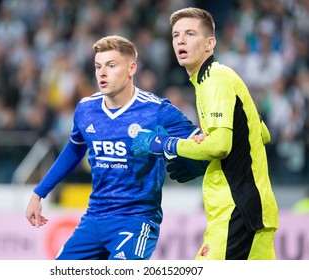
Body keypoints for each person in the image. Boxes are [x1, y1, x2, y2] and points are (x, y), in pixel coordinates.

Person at [25, 35, 205, 260]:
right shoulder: (86, 109)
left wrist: (172, 146)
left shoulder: (157, 110)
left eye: (111, 66)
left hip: (136, 219)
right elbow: (74, 150)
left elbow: (203, 144)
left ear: (131, 69)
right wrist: (38, 193)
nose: (102, 72)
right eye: (98, 66)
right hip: (94, 217)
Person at [131, 7, 279, 260]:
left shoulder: (215, 80)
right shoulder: (210, 80)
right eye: (176, 35)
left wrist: (165, 143)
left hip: (237, 212)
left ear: (210, 43)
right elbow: (261, 132)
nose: (180, 40)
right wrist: (206, 156)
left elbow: (221, 145)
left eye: (190, 34)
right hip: (251, 211)